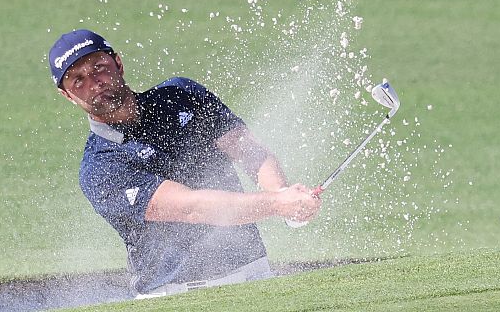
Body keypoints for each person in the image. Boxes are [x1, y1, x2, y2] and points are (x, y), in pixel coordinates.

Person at [48, 29, 321, 297]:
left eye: (99, 67)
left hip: (254, 274)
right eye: (78, 80)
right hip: (177, 296)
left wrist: (282, 195)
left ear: (118, 62)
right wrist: (276, 204)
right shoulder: (100, 167)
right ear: (67, 95)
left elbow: (245, 148)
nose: (94, 83)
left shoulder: (180, 93)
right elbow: (193, 208)